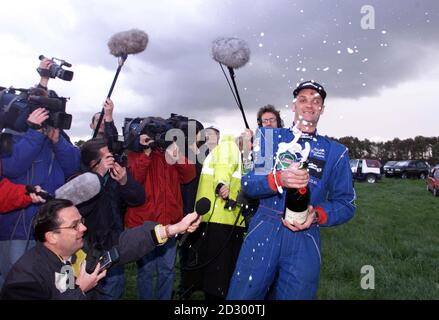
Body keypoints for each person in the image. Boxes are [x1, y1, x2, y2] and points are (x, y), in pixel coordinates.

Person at [227, 80, 356, 300]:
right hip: (264, 228)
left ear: (322, 109)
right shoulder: (270, 138)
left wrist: (317, 214)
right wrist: (279, 179)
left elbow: (346, 204)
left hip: (305, 236)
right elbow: (249, 184)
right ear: (293, 106)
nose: (309, 105)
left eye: (316, 101)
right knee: (243, 296)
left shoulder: (336, 152)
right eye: (303, 100)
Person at [1, 199, 201, 299]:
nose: (84, 228)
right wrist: (80, 290)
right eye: (75, 225)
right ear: (51, 236)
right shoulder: (25, 277)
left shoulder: (79, 250)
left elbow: (123, 245)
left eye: (82, 221)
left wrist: (172, 229)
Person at [0, 58, 81, 288]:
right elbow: (12, 166)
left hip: (51, 225)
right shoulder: (11, 135)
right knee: (15, 280)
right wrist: (34, 132)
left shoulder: (57, 137)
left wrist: (58, 142)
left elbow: (73, 167)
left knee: (52, 282)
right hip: (17, 225)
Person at [126, 126, 196, 300]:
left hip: (170, 222)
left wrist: (176, 155)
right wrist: (146, 153)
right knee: (146, 271)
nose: (157, 139)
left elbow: (189, 175)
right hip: (145, 225)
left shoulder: (170, 153)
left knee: (167, 270)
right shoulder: (135, 153)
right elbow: (134, 179)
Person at [77, 137, 145, 299]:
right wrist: (99, 176)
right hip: (88, 249)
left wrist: (125, 181)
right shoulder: (79, 180)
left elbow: (138, 199)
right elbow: (81, 209)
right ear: (94, 163)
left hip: (114, 243)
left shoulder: (114, 177)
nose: (112, 159)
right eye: (107, 157)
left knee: (116, 286)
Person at [184, 133, 245, 300]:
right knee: (220, 276)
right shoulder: (229, 147)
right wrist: (222, 185)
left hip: (214, 217)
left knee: (212, 272)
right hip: (224, 218)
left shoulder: (222, 150)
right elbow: (223, 170)